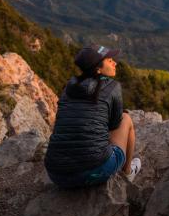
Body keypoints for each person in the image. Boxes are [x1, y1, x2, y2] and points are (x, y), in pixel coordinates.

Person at [44, 45, 141, 188]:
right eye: (109, 60)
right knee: (126, 119)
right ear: (98, 69)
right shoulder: (112, 87)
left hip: (57, 175)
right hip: (95, 171)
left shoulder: (69, 87)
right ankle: (127, 172)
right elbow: (115, 125)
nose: (114, 62)